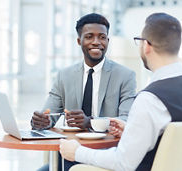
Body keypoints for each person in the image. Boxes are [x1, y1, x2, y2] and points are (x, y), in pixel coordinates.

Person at [60, 12, 182, 171]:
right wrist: (131, 130)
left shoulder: (150, 99)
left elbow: (123, 163)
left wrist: (77, 152)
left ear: (146, 45)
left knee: (68, 165)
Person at [31, 13, 137, 171]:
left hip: (107, 155)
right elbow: (49, 114)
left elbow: (126, 120)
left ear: (108, 41)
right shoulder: (64, 75)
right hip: (69, 154)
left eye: (102, 37)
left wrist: (91, 122)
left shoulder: (125, 76)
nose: (96, 42)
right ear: (79, 41)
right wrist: (41, 121)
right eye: (89, 37)